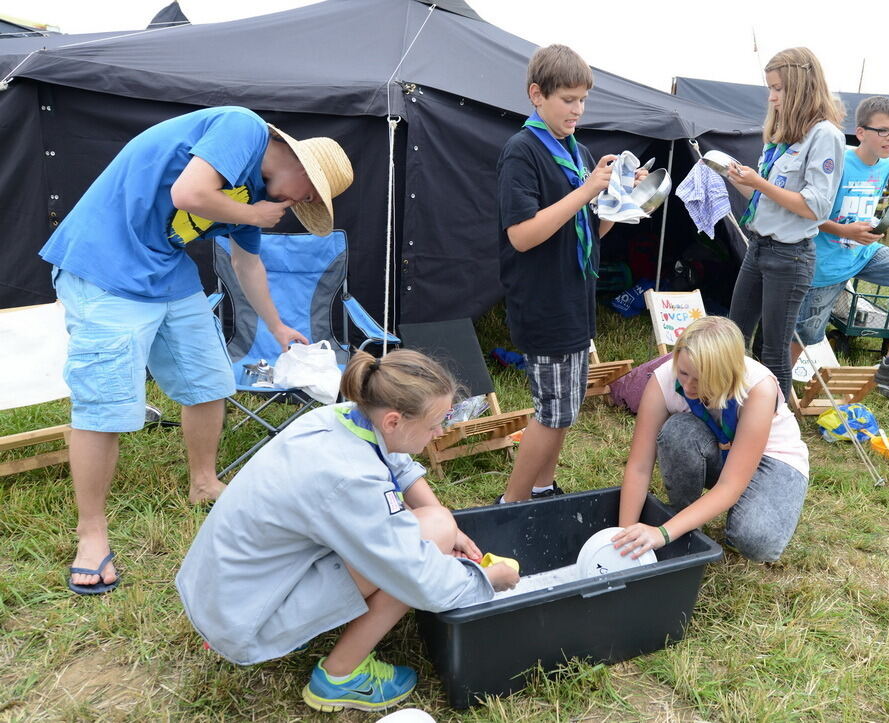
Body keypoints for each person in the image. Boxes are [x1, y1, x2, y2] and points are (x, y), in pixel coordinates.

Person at [39, 106, 355, 595]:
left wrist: (276, 325)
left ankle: (204, 483)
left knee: (210, 381)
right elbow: (188, 194)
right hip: (104, 266)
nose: (300, 203)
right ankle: (92, 533)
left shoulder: (254, 193)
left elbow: (249, 265)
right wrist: (252, 213)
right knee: (105, 406)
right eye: (310, 194)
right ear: (298, 163)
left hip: (167, 272)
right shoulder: (242, 128)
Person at [176, 350, 519, 713]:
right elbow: (417, 575)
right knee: (420, 547)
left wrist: (448, 523)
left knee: (435, 527)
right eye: (436, 422)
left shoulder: (337, 418)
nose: (441, 431)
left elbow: (397, 460)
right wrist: (486, 579)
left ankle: (250, 621)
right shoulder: (351, 478)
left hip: (221, 592)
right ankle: (340, 676)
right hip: (245, 620)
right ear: (392, 421)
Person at [495, 44, 647, 503]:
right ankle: (511, 503)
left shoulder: (576, 149)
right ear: (536, 95)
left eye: (583, 99)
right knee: (552, 411)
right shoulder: (522, 151)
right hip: (543, 300)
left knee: (567, 407)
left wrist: (617, 198)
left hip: (575, 296)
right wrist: (585, 190)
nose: (577, 110)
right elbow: (521, 235)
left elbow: (588, 229)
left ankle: (543, 488)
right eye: (568, 99)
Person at [613, 316, 808, 563]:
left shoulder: (759, 387)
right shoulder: (663, 379)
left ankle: (738, 511)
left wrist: (662, 533)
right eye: (684, 373)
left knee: (755, 541)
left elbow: (731, 485)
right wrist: (624, 536)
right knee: (678, 431)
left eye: (703, 378)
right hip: (720, 451)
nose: (689, 386)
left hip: (772, 460)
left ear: (726, 372)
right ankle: (685, 520)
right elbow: (639, 466)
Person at [790, 96, 889, 395]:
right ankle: (775, 390)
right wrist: (844, 229)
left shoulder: (885, 166)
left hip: (864, 252)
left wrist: (871, 224)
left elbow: (861, 205)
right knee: (804, 335)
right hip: (826, 264)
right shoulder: (837, 163)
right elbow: (807, 212)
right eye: (883, 131)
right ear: (860, 133)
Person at [724, 47, 845, 399]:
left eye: (778, 88)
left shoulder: (825, 135)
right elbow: (768, 201)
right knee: (733, 336)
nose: (772, 96)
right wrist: (738, 180)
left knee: (773, 349)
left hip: (790, 256)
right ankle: (734, 409)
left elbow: (816, 207)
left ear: (802, 88)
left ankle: (776, 427)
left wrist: (760, 183)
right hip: (758, 247)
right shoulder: (785, 133)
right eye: (770, 87)